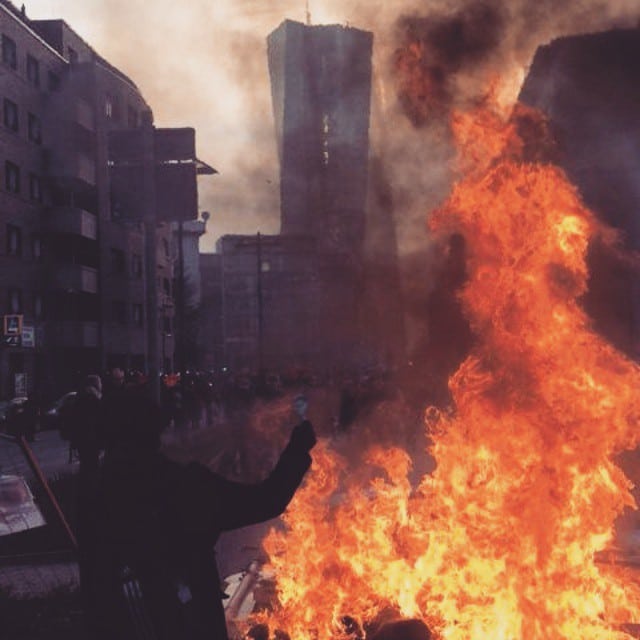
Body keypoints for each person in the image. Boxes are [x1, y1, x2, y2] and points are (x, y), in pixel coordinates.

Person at [83, 388, 316, 640]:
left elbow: (95, 580)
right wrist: (297, 450)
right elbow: (266, 500)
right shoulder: (182, 486)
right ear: (155, 436)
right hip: (193, 621)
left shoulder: (97, 495)